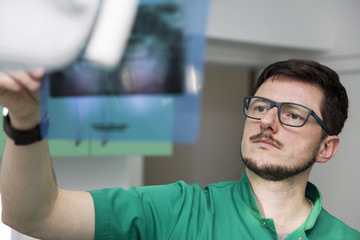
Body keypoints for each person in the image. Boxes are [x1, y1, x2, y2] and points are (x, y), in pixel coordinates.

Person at [0, 59, 359, 240]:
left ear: (326, 148)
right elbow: (35, 215)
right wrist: (25, 119)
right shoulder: (178, 210)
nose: (268, 121)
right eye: (262, 106)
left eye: (293, 115)